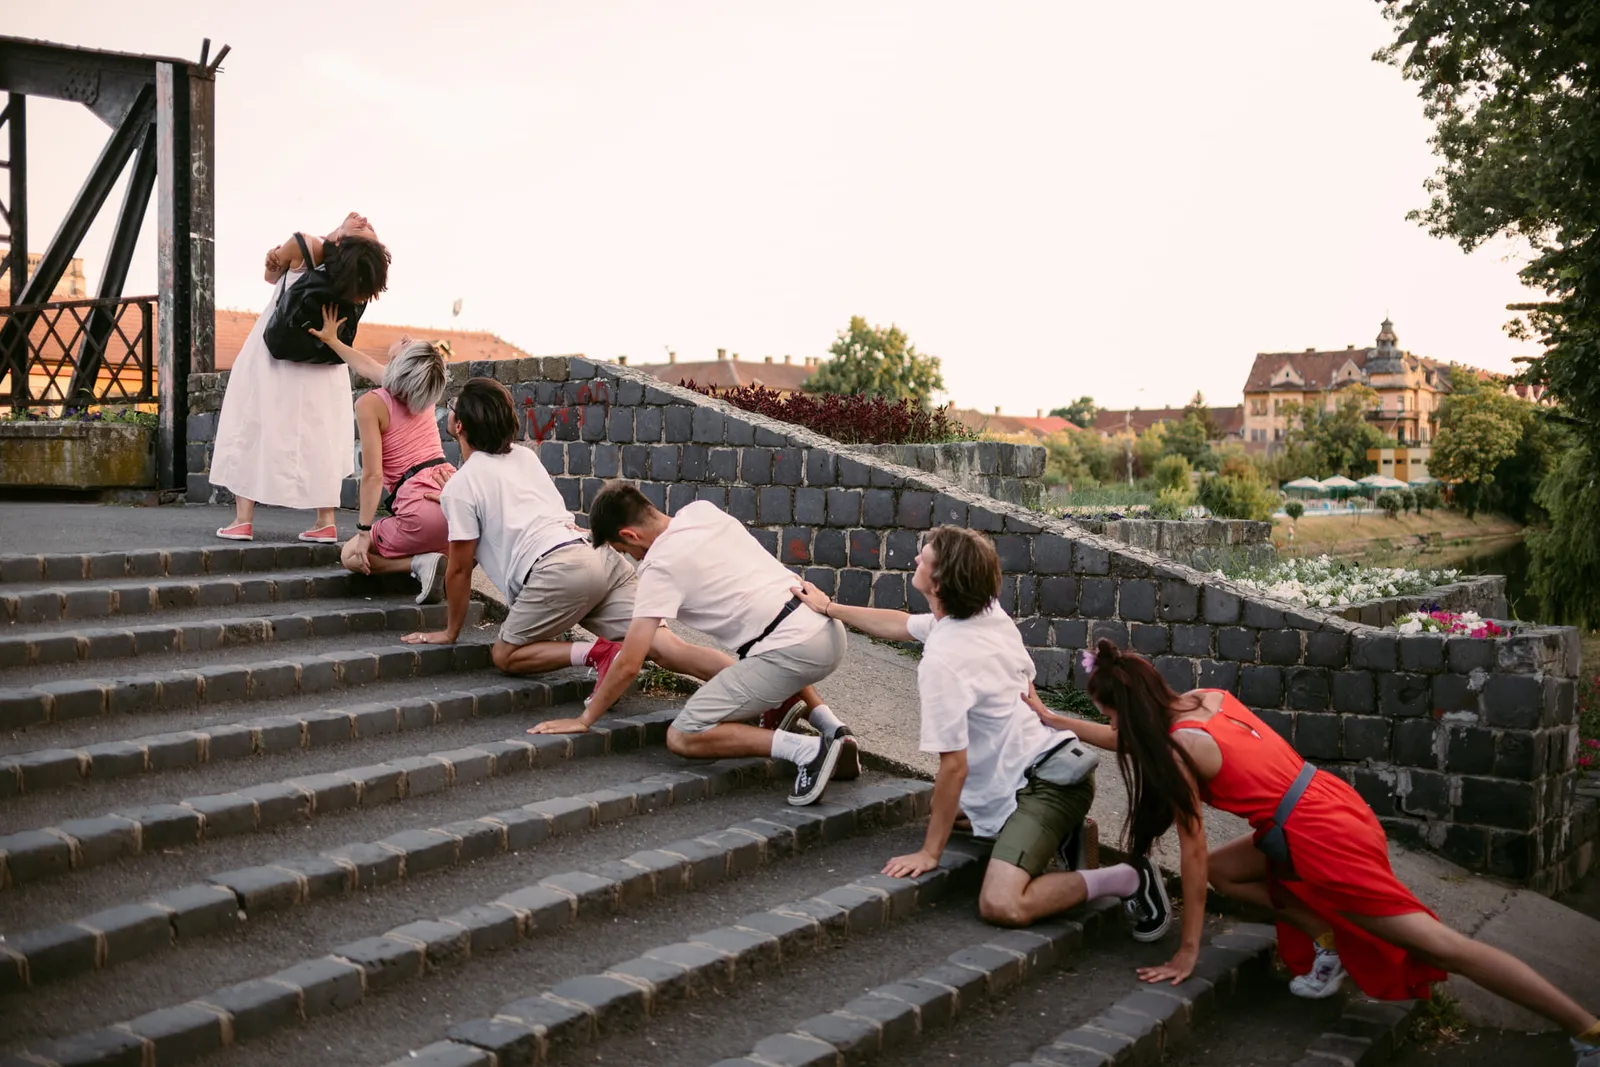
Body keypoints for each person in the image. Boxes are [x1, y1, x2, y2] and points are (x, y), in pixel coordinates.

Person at [1052, 640, 1600, 1067]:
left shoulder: (1182, 748)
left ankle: (1586, 1028)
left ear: (1130, 709)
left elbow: (1191, 856)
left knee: (1444, 945)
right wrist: (1054, 719)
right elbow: (1134, 742)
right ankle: (1328, 940)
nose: (1114, 727)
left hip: (1319, 838)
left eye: (1112, 715)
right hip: (1325, 801)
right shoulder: (1207, 699)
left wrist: (1187, 952)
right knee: (1227, 873)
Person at [789, 526, 1169, 931]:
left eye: (925, 557)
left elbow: (954, 766)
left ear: (939, 582)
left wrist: (929, 854)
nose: (916, 559)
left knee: (1001, 903)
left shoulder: (945, 660)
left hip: (1047, 786)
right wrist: (829, 607)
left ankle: (1129, 878)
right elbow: (900, 624)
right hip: (1047, 766)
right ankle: (1058, 834)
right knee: (947, 811)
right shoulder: (984, 613)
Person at [398, 379, 769, 714]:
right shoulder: (523, 458)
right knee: (666, 647)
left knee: (506, 654)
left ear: (459, 425)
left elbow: (460, 568)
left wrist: (450, 632)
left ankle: (600, 653)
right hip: (596, 557)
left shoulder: (461, 487)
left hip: (556, 571)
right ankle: (769, 691)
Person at [548, 480, 857, 807]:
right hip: (825, 630)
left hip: (792, 652)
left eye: (626, 552)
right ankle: (833, 729)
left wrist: (584, 720)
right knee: (765, 648)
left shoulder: (659, 566)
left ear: (629, 535)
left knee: (685, 734)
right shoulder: (701, 512)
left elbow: (629, 661)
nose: (635, 560)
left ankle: (808, 750)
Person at [211, 212, 391, 542]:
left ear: (342, 240)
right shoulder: (360, 279)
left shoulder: (304, 244)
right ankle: (325, 521)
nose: (362, 217)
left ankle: (243, 519)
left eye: (364, 226)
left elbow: (271, 275)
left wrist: (280, 255)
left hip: (275, 354)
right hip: (324, 361)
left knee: (253, 421)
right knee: (319, 434)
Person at [304, 305, 454, 603]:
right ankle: (439, 561)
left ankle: (418, 563)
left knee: (350, 556)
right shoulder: (420, 394)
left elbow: (372, 476)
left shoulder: (371, 404)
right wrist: (333, 341)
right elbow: (366, 365)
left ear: (401, 363)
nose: (405, 336)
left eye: (409, 344)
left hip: (418, 509)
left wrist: (363, 531)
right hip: (453, 499)